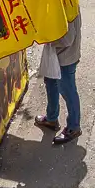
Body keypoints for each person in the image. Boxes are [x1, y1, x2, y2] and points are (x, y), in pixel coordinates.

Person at [33, 9, 83, 145]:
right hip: (58, 56)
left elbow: (66, 39)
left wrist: (44, 37)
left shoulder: (64, 8)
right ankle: (51, 118)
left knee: (68, 91)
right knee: (50, 82)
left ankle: (73, 127)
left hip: (64, 59)